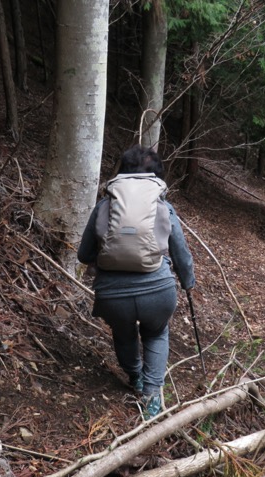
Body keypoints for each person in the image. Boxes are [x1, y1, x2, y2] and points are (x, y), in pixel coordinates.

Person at [77, 146, 196, 419]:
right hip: (158, 292)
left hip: (112, 295)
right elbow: (180, 253)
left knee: (124, 332)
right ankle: (152, 397)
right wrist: (188, 282)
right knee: (156, 332)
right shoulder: (164, 206)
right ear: (157, 175)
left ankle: (135, 377)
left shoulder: (105, 205)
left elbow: (83, 254)